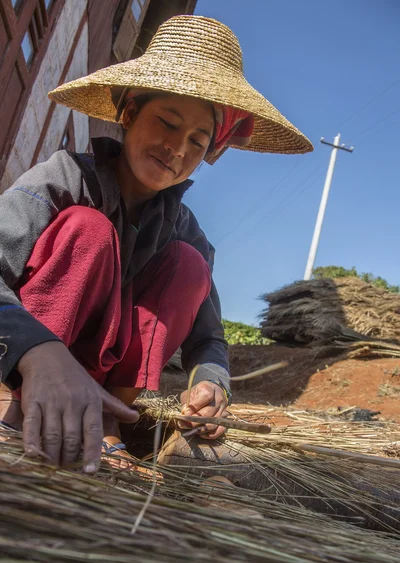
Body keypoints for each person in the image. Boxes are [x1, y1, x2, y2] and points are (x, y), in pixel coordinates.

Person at [0, 15, 312, 473]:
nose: (177, 148)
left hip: (115, 392)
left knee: (189, 267)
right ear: (128, 113)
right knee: (87, 230)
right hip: (37, 371)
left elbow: (209, 339)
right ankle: (29, 411)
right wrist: (37, 352)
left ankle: (108, 417)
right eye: (166, 123)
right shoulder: (64, 179)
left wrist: (212, 385)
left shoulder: (187, 232)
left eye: (197, 140)